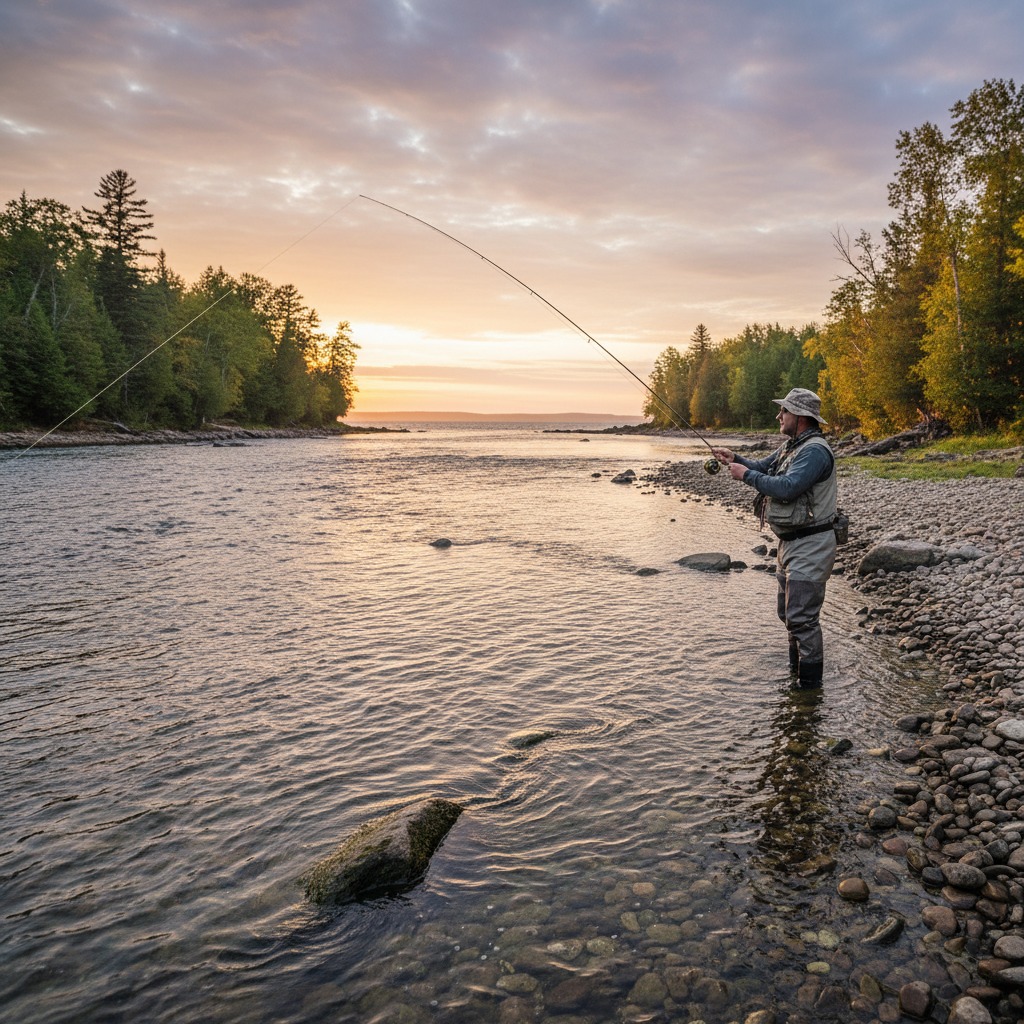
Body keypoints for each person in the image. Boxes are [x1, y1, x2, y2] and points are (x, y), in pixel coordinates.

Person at [711, 388, 838, 690]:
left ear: (801, 417)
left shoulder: (815, 451)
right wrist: (736, 459)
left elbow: (787, 487)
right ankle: (796, 681)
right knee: (789, 615)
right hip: (790, 544)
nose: (778, 416)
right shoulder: (794, 446)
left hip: (811, 544)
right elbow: (765, 468)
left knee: (802, 620)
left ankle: (809, 691)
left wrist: (744, 475)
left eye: (784, 411)